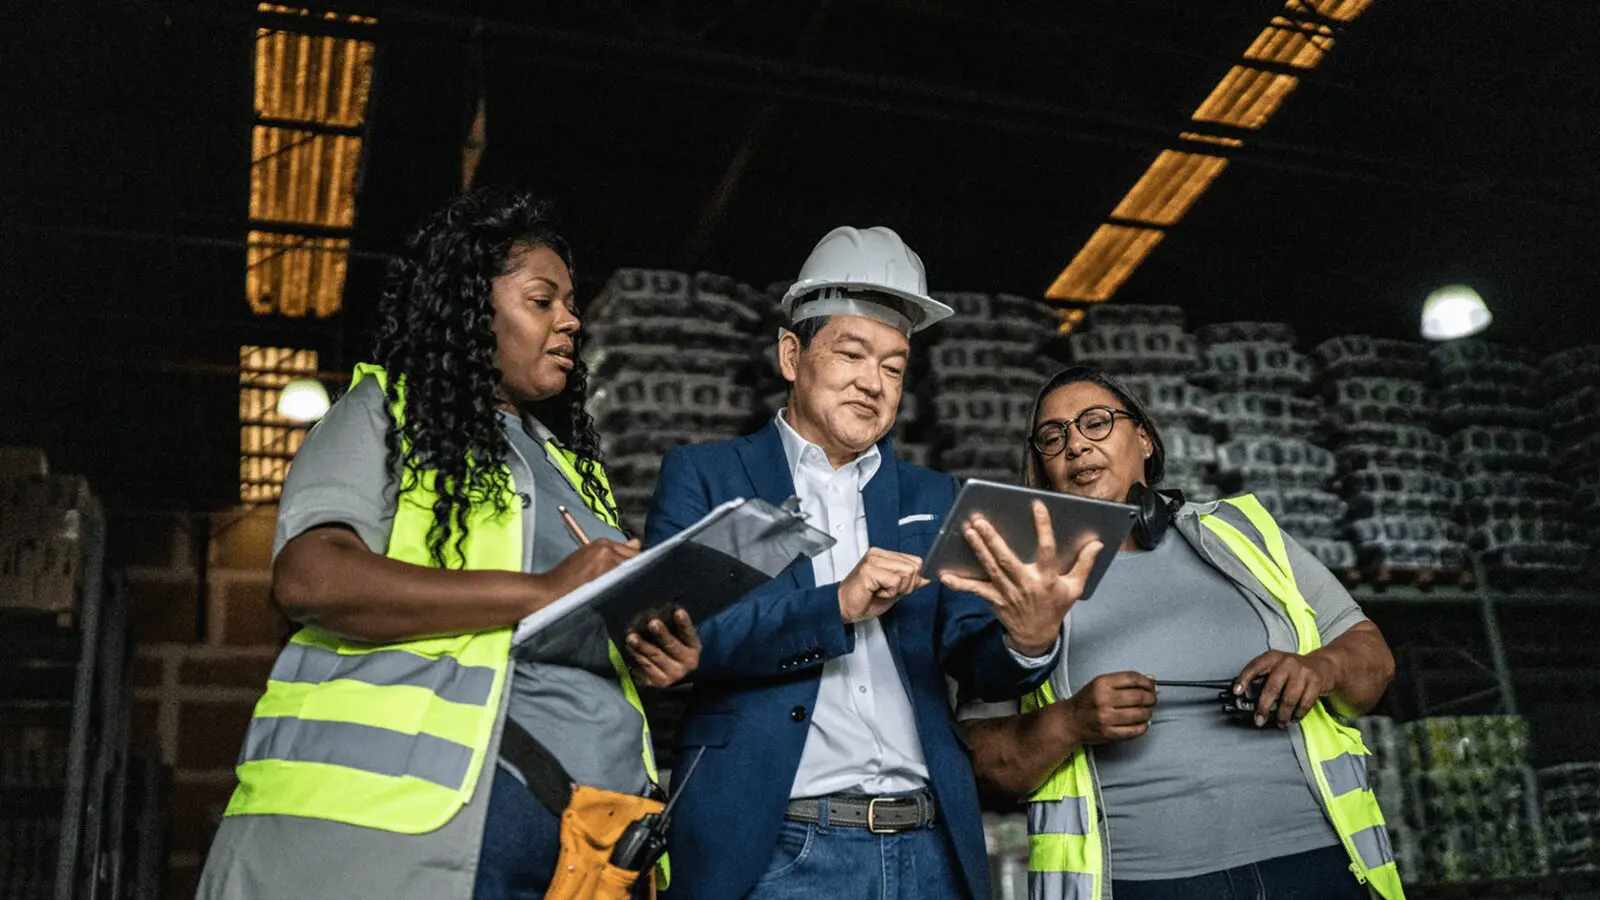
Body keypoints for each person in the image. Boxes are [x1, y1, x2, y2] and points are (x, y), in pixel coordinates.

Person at [197, 190, 701, 900]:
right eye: (542, 301)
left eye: (571, 303)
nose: (570, 320)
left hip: (593, 838)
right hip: (430, 827)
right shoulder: (382, 415)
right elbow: (311, 579)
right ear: (473, 311)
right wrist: (543, 588)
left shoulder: (573, 469)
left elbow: (571, 630)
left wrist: (651, 652)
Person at [646, 226, 1099, 900]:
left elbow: (973, 653)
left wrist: (1027, 636)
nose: (872, 382)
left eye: (893, 366)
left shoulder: (932, 496)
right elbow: (684, 636)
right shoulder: (712, 476)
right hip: (777, 847)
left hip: (926, 846)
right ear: (791, 355)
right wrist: (837, 605)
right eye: (851, 354)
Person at [958, 366, 1405, 900]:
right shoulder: (1018, 576)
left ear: (1144, 437)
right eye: (1054, 438)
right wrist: (1072, 721)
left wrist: (1320, 668)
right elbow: (984, 761)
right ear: (1042, 466)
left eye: (1095, 423)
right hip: (1139, 882)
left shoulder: (1244, 534)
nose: (1076, 444)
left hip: (1312, 863)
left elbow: (1372, 664)